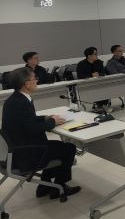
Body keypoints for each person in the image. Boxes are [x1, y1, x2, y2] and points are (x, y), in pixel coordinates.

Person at [1, 67, 81, 199]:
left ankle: (44, 186)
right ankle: (60, 186)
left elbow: (27, 121)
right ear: (27, 84)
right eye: (35, 78)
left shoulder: (15, 99)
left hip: (17, 150)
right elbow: (33, 129)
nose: (37, 81)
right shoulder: (21, 102)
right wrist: (53, 122)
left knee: (57, 146)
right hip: (25, 154)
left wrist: (45, 118)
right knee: (69, 148)